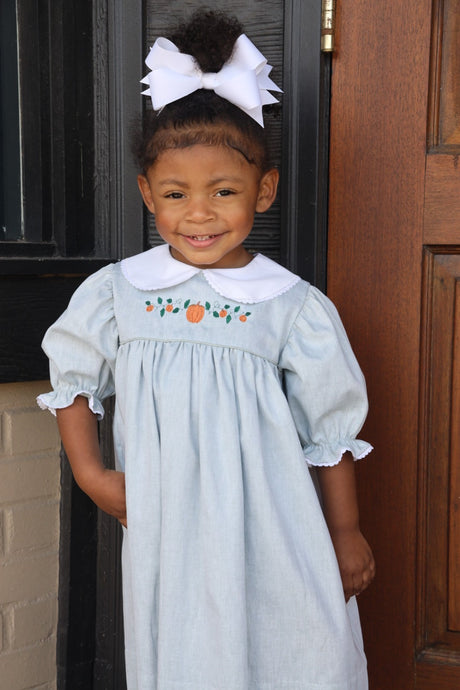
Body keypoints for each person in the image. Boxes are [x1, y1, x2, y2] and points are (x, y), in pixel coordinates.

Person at [38, 9, 375, 689]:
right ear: (146, 195)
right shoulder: (121, 292)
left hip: (274, 524)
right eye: (175, 194)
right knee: (189, 653)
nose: (199, 213)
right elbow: (73, 380)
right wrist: (92, 475)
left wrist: (346, 531)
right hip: (170, 526)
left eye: (224, 191)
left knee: (296, 644)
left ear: (265, 190)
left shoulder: (290, 304)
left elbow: (330, 429)